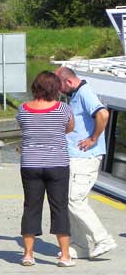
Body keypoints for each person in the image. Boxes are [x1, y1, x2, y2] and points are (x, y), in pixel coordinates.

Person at [55, 67, 117, 259]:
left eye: (60, 87)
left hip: (85, 158)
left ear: (69, 82)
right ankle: (80, 246)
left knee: (75, 200)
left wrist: (93, 138)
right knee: (68, 202)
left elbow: (103, 114)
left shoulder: (85, 93)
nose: (59, 91)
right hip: (76, 157)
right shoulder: (76, 94)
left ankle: (103, 239)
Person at [16, 71, 74, 267]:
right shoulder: (63, 109)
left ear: (35, 87)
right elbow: (69, 128)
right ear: (55, 88)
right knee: (59, 208)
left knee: (31, 208)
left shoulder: (23, 109)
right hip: (57, 163)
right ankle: (65, 256)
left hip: (30, 164)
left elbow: (25, 128)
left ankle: (28, 255)